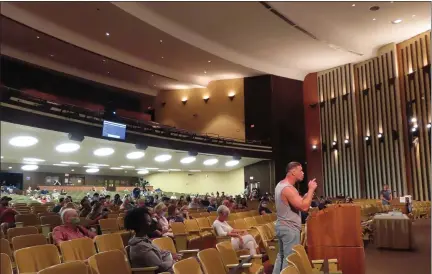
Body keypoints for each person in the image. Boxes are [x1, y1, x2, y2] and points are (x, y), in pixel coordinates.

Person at [272, 162, 317, 274]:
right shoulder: (288, 188)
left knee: (281, 257)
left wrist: (307, 195)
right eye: (300, 170)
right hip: (289, 228)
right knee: (289, 260)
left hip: (283, 226)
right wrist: (311, 189)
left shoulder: (280, 185)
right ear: (293, 171)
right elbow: (304, 206)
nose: (303, 173)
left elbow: (298, 202)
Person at [125, 207, 178, 273]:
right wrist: (174, 262)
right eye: (149, 221)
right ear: (140, 225)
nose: (153, 222)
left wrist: (169, 255)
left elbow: (159, 256)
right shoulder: (140, 247)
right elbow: (159, 266)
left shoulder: (144, 239)